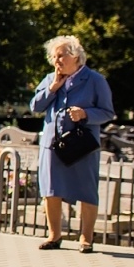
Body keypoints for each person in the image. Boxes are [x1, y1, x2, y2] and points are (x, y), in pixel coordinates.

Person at [30, 35, 115, 253]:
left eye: (61, 56)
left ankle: (86, 238)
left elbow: (107, 112)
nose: (56, 61)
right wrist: (52, 88)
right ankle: (54, 235)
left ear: (75, 56)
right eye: (54, 57)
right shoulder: (50, 78)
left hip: (82, 144)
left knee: (86, 190)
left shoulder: (95, 80)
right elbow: (35, 106)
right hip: (52, 143)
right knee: (51, 189)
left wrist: (85, 114)